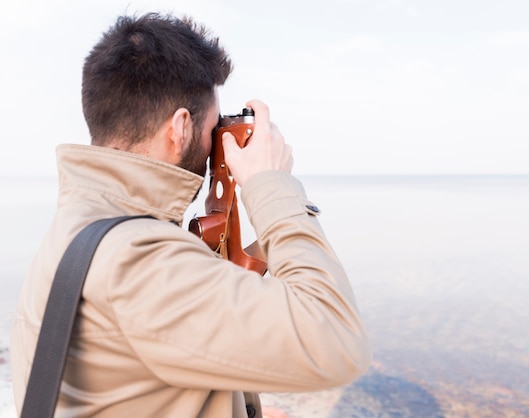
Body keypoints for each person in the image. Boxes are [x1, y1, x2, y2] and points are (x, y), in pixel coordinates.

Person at [10, 12, 371, 418]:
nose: (217, 142)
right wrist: (272, 186)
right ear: (180, 127)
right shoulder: (139, 259)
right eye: (215, 128)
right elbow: (337, 343)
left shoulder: (81, 223)